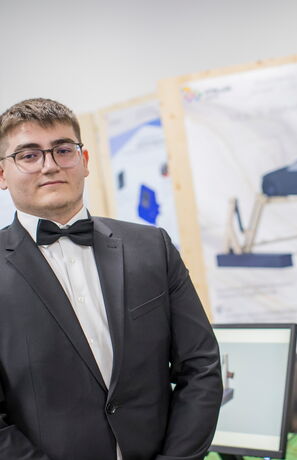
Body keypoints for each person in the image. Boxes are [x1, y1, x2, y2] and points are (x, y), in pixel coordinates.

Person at [0, 98, 223, 460]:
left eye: (63, 150)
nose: (50, 165)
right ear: (2, 174)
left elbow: (201, 367)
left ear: (84, 161)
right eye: (29, 155)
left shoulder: (153, 246)